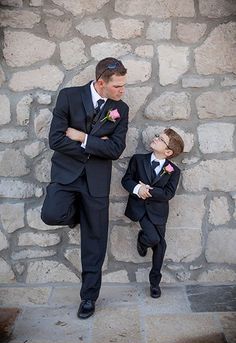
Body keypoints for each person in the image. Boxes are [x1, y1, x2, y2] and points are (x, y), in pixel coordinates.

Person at [41, 57, 128, 319]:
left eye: (124, 86)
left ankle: (89, 297)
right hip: (67, 175)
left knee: (95, 240)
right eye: (117, 87)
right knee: (51, 214)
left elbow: (115, 149)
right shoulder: (68, 97)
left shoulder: (120, 109)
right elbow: (55, 139)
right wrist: (94, 146)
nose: (122, 91)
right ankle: (75, 214)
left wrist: (82, 137)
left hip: (97, 182)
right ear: (101, 83)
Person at [121, 128, 184, 298]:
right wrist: (137, 188)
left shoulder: (174, 171)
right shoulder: (138, 160)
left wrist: (149, 190)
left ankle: (154, 282)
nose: (155, 138)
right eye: (157, 136)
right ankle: (143, 240)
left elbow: (168, 194)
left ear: (168, 151)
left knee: (160, 245)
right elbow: (126, 180)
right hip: (140, 209)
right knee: (155, 239)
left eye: (161, 139)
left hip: (158, 212)